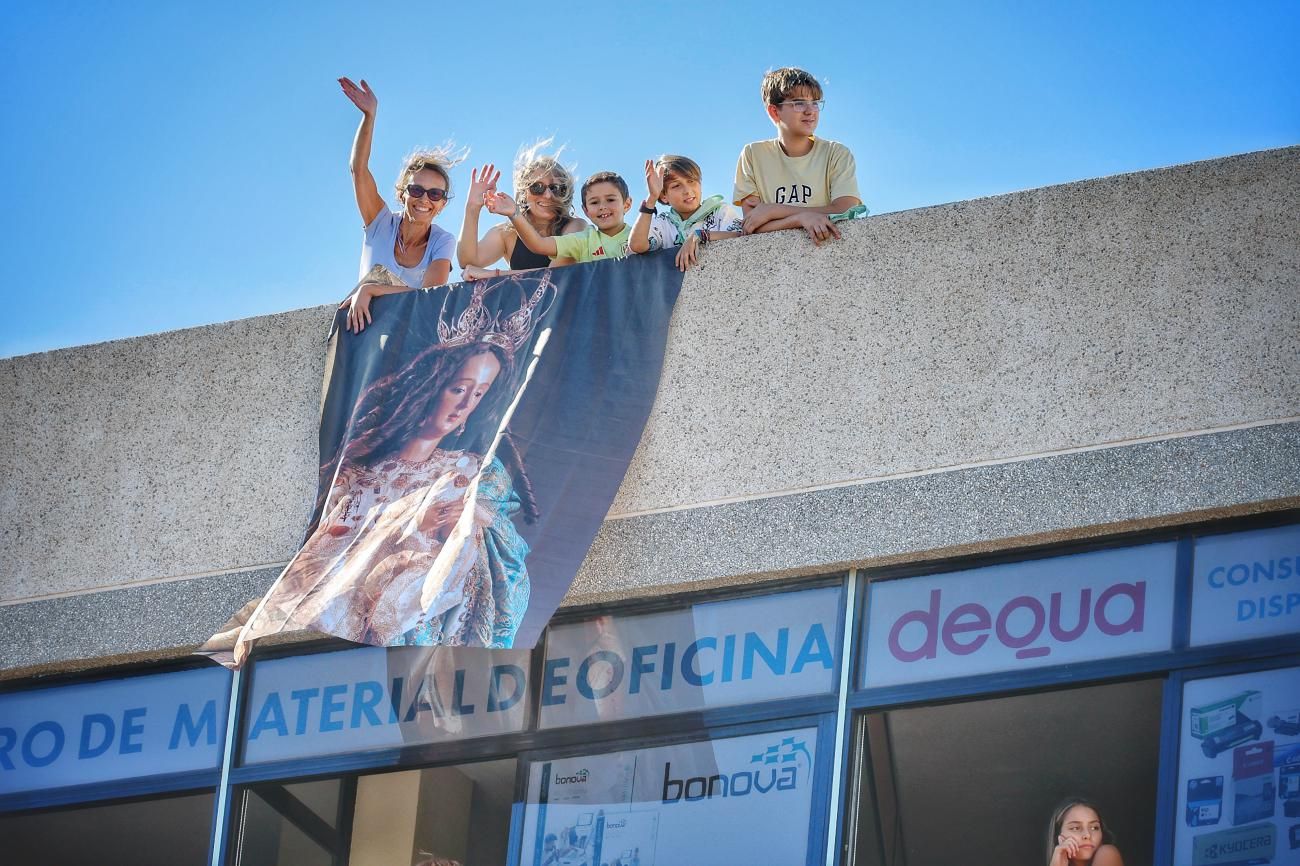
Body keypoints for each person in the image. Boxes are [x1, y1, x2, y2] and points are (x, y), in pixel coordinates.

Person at [337, 77, 461, 333]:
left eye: (434, 194)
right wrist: (369, 116)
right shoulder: (380, 223)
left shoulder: (442, 241)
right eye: (416, 190)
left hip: (410, 335)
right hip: (363, 332)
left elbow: (430, 296)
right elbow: (358, 170)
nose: (424, 199)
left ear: (442, 204)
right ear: (402, 194)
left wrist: (371, 289)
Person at [732, 66, 864, 245]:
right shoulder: (752, 155)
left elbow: (845, 211)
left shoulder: (837, 153)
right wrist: (800, 218)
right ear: (774, 112)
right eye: (799, 103)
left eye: (815, 102)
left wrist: (773, 210)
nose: (810, 111)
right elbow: (751, 226)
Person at [457, 141, 587, 279]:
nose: (548, 195)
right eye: (537, 187)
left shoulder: (576, 226)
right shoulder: (507, 233)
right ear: (523, 193)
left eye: (556, 188)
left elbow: (555, 275)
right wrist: (472, 207)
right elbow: (468, 262)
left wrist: (493, 275)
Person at [628, 154, 744, 270]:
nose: (687, 190)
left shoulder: (720, 211)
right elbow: (637, 245)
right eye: (676, 186)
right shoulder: (663, 224)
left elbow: (742, 236)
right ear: (664, 196)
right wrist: (652, 198)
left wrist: (700, 235)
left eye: (691, 181)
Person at [490, 171, 633, 264]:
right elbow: (539, 244)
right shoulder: (584, 240)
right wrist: (514, 213)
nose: (602, 206)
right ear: (586, 211)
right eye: (594, 202)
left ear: (627, 204)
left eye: (610, 200)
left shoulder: (640, 235)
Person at [1047, 798, 1124, 866]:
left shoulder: (1107, 852)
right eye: (1076, 828)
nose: (1087, 835)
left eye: (1094, 828)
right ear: (1058, 836)